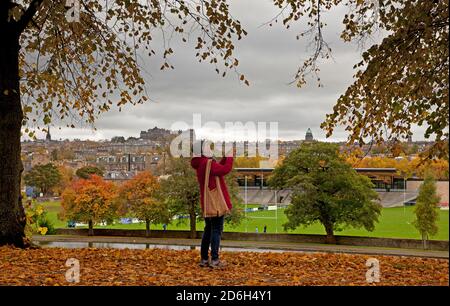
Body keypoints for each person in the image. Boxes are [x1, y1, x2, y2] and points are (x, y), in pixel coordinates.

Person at [191, 151, 233, 269]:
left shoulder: (200, 163)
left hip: (207, 202)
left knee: (208, 229)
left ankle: (204, 259)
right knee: (216, 229)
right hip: (215, 203)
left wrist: (224, 158)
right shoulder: (207, 163)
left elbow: (217, 168)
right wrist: (230, 156)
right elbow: (225, 170)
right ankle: (214, 259)